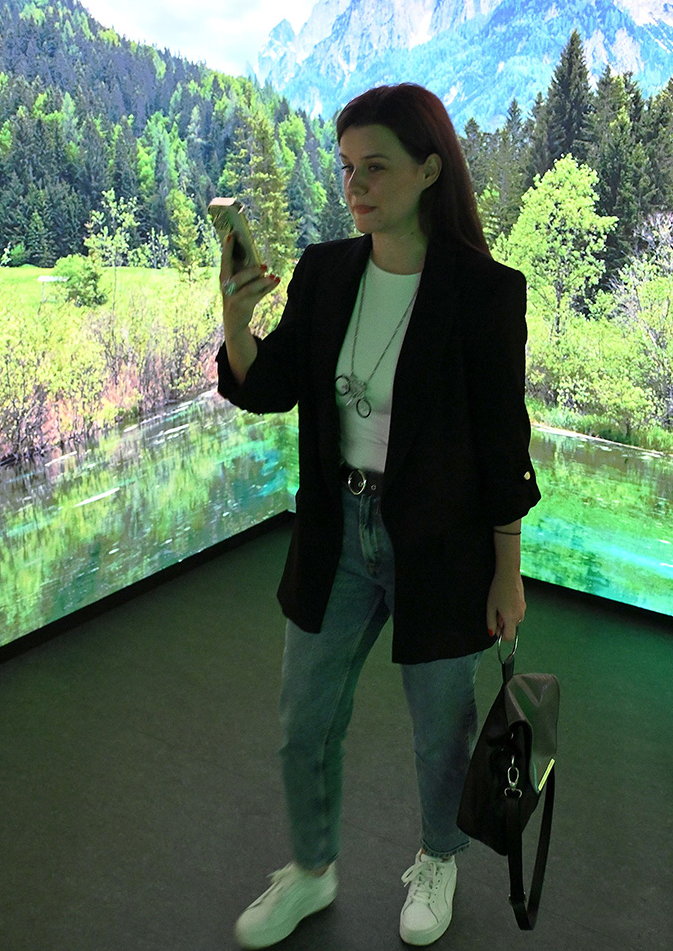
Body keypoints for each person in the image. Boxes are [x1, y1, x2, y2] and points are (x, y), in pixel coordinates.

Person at [215, 83, 541, 949]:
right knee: (304, 720)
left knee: (441, 733)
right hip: (337, 535)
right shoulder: (327, 272)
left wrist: (507, 573)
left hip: (442, 547)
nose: (355, 186)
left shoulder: (485, 292)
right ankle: (312, 869)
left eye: (376, 168)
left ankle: (438, 857)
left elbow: (503, 443)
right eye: (347, 168)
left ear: (430, 171)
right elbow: (270, 386)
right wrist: (237, 322)